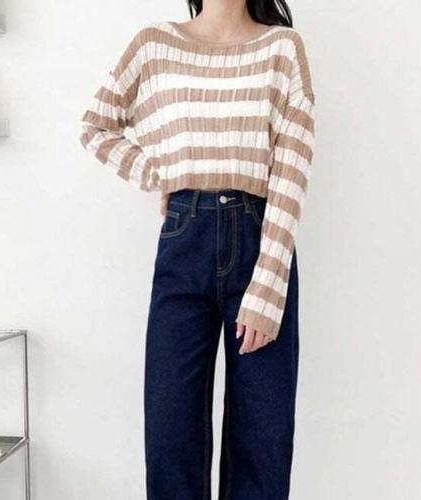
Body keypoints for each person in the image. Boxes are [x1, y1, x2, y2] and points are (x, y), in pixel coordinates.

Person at [80, 0, 315, 498]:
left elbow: (291, 171)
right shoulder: (153, 44)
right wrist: (160, 174)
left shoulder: (282, 47)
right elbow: (96, 125)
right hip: (183, 243)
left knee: (263, 439)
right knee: (171, 431)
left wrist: (268, 284)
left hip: (261, 240)